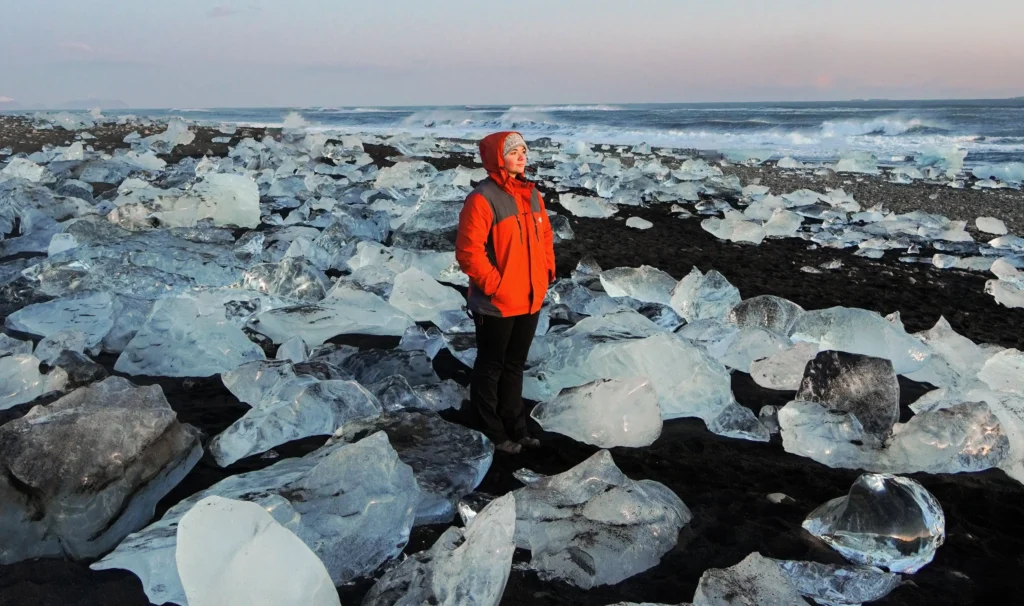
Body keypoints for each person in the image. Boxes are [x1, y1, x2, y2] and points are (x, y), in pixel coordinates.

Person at [455, 131, 555, 454]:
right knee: (490, 366)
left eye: (524, 150)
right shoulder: (482, 199)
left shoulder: (532, 195)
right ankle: (492, 433)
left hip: (529, 299)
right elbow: (468, 252)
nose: (521, 155)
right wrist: (495, 286)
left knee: (514, 366)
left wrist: (546, 272)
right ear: (498, 158)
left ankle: (517, 426)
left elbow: (546, 240)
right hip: (497, 304)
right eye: (513, 151)